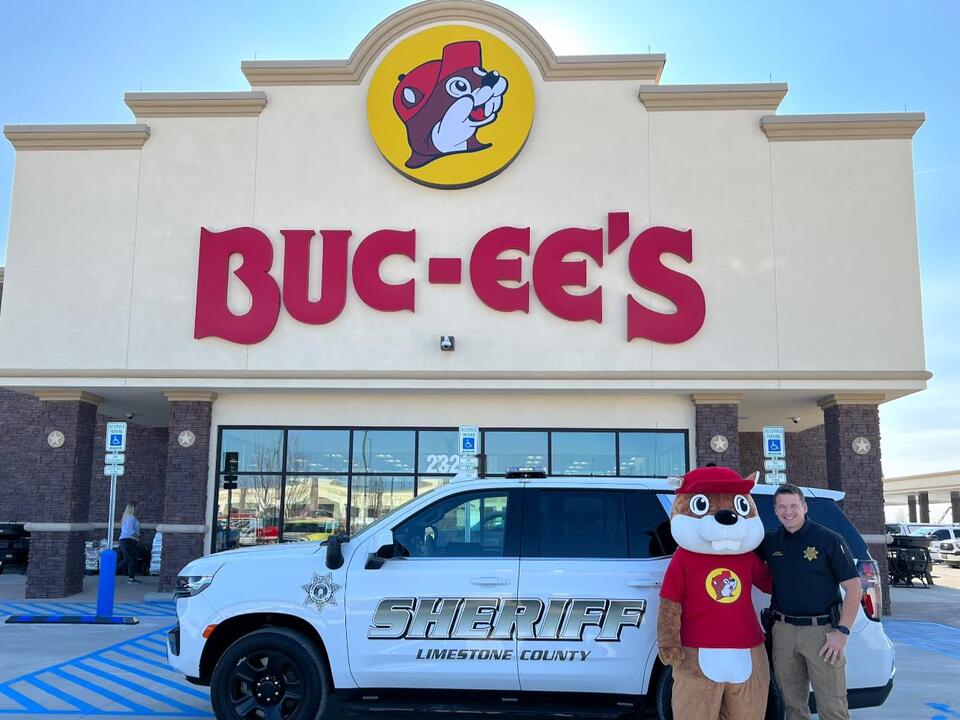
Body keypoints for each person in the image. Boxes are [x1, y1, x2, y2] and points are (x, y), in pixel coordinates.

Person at [756, 484, 861, 720]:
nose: (788, 512)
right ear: (775, 510)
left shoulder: (828, 540)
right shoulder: (770, 542)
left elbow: (854, 588)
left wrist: (842, 632)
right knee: (793, 706)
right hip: (783, 631)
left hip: (822, 633)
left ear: (804, 507)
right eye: (782, 507)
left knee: (832, 707)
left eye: (794, 506)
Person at [118, 502, 141, 584]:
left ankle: (110, 570)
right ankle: (131, 578)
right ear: (133, 508)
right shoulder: (131, 518)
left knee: (128, 560)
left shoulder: (126, 517)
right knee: (131, 559)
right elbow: (130, 530)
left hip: (125, 540)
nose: (138, 509)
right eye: (137, 507)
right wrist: (137, 536)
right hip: (129, 541)